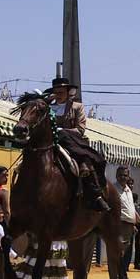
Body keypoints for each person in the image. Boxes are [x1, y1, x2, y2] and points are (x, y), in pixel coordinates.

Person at [45, 77, 109, 212]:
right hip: (49, 140)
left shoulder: (77, 107)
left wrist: (61, 131)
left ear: (68, 92)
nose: (59, 95)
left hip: (73, 140)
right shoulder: (48, 107)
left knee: (85, 159)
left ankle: (95, 194)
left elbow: (80, 128)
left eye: (61, 92)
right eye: (56, 92)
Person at [113, 166, 140, 279]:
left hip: (129, 226)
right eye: (121, 175)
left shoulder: (128, 190)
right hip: (119, 224)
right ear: (116, 176)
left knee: (125, 255)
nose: (123, 177)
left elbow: (131, 209)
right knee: (118, 254)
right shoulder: (113, 189)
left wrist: (137, 223)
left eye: (125, 175)